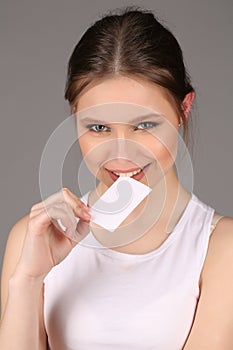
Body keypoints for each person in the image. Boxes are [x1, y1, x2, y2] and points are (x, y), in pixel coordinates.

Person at [0, 6, 233, 350]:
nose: (120, 154)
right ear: (74, 117)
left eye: (144, 125)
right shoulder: (32, 237)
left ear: (183, 110)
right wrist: (29, 279)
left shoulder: (220, 248)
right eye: (98, 127)